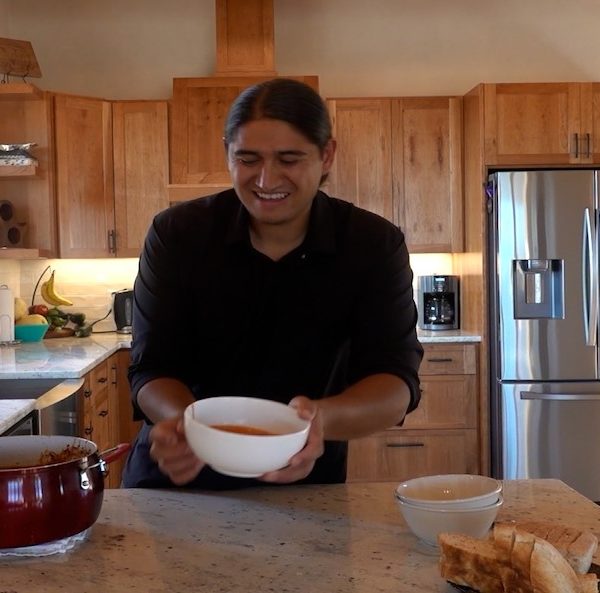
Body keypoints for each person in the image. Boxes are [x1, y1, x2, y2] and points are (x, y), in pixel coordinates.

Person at [121, 78, 423, 490]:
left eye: (289, 158)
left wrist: (318, 421)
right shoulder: (177, 234)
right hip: (177, 482)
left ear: (327, 154)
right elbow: (151, 366)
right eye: (247, 159)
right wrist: (189, 426)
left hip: (304, 487)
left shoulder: (372, 244)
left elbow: (395, 382)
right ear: (227, 151)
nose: (266, 179)